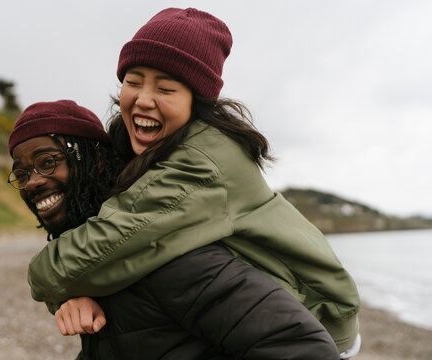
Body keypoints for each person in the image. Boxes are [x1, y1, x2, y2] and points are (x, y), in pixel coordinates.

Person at [27, 8, 361, 357]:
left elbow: (89, 253)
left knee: (151, 264)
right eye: (133, 81)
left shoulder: (200, 162)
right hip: (249, 303)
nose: (143, 98)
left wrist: (48, 280)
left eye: (166, 88)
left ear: (196, 103)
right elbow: (93, 254)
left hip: (315, 315)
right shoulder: (137, 147)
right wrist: (70, 297)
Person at [8, 99, 340, 359]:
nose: (33, 181)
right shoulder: (88, 261)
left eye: (47, 161)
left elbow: (304, 349)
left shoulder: (158, 247)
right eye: (21, 174)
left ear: (93, 160)